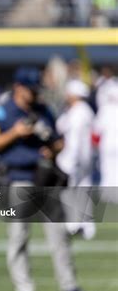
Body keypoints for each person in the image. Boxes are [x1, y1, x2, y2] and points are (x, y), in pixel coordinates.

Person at [0, 67, 97, 291]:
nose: (33, 94)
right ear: (18, 87)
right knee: (19, 237)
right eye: (30, 90)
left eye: (36, 90)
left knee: (59, 235)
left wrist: (53, 149)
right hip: (17, 178)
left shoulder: (43, 110)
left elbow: (59, 141)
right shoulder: (3, 112)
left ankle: (69, 288)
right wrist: (15, 133)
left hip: (45, 178)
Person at [56, 80, 96, 239]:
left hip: (76, 157)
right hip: (86, 157)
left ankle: (74, 224)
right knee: (84, 189)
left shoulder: (78, 112)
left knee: (70, 190)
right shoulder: (84, 110)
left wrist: (71, 159)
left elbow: (74, 138)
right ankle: (87, 225)